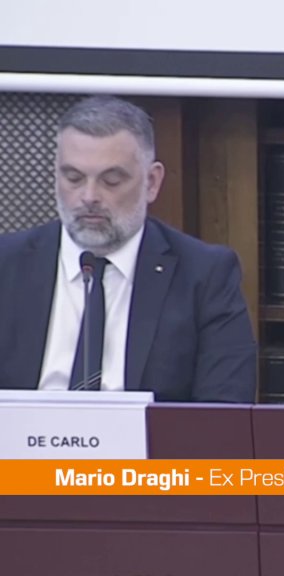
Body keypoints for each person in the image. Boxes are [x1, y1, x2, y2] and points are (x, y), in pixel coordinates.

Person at [0, 95, 257, 402]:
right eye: (74, 178)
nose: (89, 196)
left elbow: (224, 411)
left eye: (111, 180)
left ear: (151, 182)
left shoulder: (205, 276)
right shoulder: (7, 264)